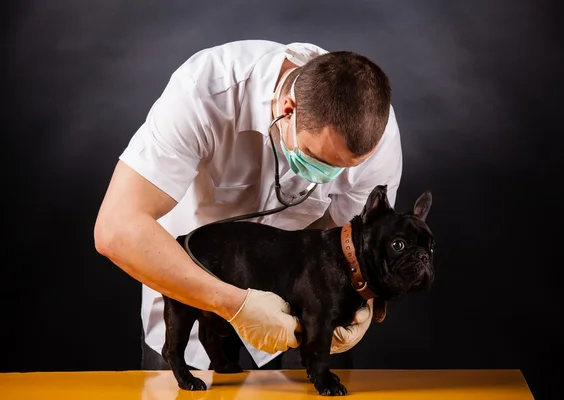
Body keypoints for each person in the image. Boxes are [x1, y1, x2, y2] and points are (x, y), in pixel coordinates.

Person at [94, 39, 403, 371]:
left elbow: (354, 250)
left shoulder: (377, 135)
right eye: (320, 161)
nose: (333, 175)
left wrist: (363, 301)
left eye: (346, 167)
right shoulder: (204, 91)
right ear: (288, 109)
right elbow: (116, 228)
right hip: (191, 293)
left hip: (298, 319)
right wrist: (236, 305)